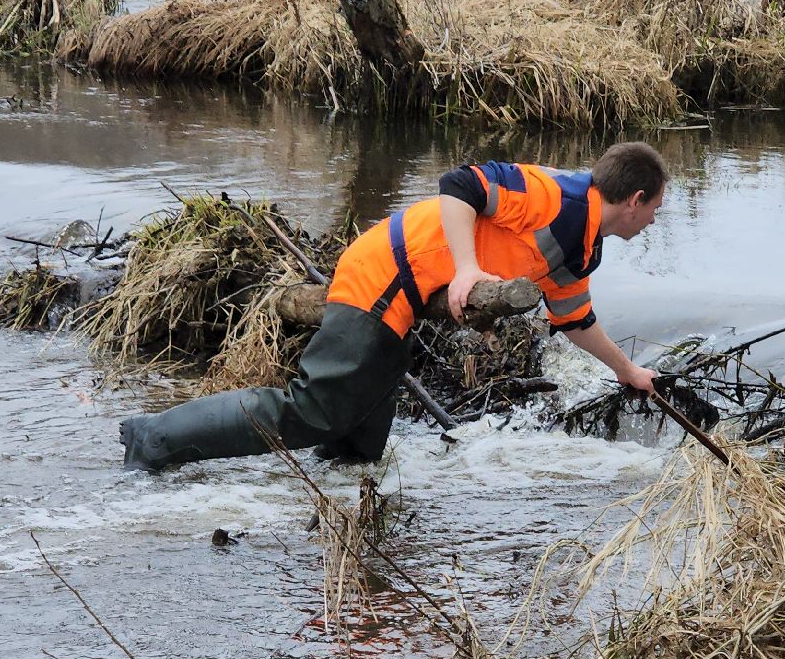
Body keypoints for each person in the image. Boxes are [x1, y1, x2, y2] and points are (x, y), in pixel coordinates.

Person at [118, 142, 667, 471]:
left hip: (405, 300)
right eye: (656, 210)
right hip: (381, 275)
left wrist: (629, 372)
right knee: (314, 410)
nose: (653, 222)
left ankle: (328, 521)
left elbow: (574, 318)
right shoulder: (552, 196)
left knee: (357, 454)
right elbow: (460, 184)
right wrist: (469, 268)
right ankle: (154, 437)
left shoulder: (583, 245)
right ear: (634, 200)